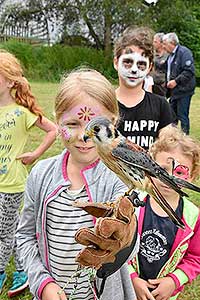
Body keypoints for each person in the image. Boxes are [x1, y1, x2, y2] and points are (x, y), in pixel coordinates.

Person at [16, 68, 138, 300]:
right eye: (72, 123)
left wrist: (126, 235)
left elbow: (133, 240)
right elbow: (25, 236)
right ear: (56, 119)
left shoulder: (119, 178)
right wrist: (43, 284)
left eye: (96, 127)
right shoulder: (40, 175)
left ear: (113, 123)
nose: (84, 136)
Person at [0, 50, 57, 297]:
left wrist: (34, 155)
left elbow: (52, 130)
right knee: (8, 230)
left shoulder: (22, 113)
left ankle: (1, 272)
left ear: (11, 81)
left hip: (11, 184)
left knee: (2, 233)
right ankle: (23, 272)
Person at [129, 125, 200, 300]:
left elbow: (195, 257)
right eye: (161, 170)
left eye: (179, 172)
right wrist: (131, 278)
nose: (168, 179)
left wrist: (174, 281)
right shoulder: (132, 203)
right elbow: (116, 246)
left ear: (192, 176)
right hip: (127, 289)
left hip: (165, 295)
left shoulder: (193, 216)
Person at [113, 26, 176, 151]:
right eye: (128, 61)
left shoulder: (160, 105)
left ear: (150, 67)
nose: (134, 69)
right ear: (116, 62)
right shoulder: (104, 103)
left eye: (141, 64)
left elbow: (169, 149)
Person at [163, 32, 196, 135]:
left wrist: (176, 81)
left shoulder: (184, 52)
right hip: (174, 92)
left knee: (182, 116)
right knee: (172, 116)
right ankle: (173, 138)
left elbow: (189, 71)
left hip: (184, 91)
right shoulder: (170, 56)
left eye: (165, 44)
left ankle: (186, 140)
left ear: (172, 42)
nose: (163, 46)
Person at [152, 32, 168, 97]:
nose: (153, 44)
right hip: (152, 84)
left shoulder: (168, 55)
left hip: (163, 86)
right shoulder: (152, 54)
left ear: (161, 43)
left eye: (155, 42)